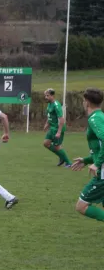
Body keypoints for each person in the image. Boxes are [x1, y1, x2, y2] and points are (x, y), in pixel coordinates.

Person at [71, 88, 104, 221]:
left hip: (102, 173)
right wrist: (86, 160)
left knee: (81, 206)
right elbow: (98, 148)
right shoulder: (100, 116)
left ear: (87, 102)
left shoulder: (95, 119)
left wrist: (96, 164)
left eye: (84, 100)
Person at [43, 88, 71, 167]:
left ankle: (68, 163)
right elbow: (50, 116)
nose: (46, 97)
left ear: (52, 96)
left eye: (47, 95)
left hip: (57, 128)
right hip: (52, 128)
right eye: (45, 95)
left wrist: (59, 131)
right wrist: (46, 124)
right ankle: (61, 157)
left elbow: (61, 119)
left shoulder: (56, 105)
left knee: (57, 146)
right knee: (46, 143)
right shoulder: (49, 104)